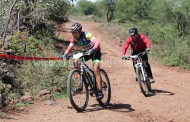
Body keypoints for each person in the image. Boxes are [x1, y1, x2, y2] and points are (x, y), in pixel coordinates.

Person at [61, 23, 103, 100]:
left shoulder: (87, 35)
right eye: (72, 33)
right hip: (87, 52)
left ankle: (100, 91)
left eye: (75, 33)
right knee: (76, 62)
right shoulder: (74, 39)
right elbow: (69, 48)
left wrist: (93, 49)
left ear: (80, 31)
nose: (74, 34)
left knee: (96, 68)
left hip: (95, 52)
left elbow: (97, 42)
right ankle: (86, 77)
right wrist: (65, 54)